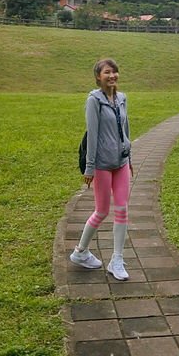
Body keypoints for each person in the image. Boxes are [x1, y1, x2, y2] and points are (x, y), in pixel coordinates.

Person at [69, 58, 134, 280]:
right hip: (102, 165)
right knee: (102, 210)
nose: (112, 76)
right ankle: (80, 252)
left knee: (123, 208)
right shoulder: (94, 101)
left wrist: (130, 155)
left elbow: (125, 129)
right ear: (99, 76)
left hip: (122, 162)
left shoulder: (122, 98)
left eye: (115, 72)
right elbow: (93, 136)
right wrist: (89, 168)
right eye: (107, 72)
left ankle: (117, 259)